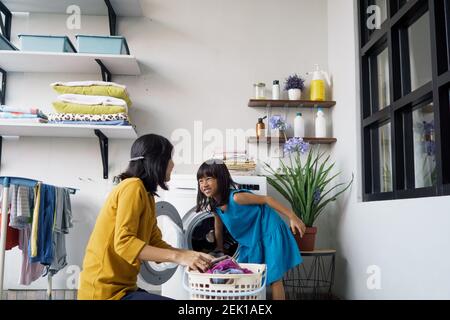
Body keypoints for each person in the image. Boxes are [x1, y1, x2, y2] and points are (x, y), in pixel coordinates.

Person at [78, 134, 213, 300]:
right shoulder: (132, 187)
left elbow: (155, 242)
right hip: (103, 294)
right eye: (169, 158)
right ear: (156, 161)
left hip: (123, 290)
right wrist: (180, 257)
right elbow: (124, 243)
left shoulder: (146, 195)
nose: (172, 164)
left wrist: (191, 255)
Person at [196, 160, 305, 300]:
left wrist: (292, 216)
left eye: (209, 179)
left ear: (221, 179)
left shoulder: (236, 197)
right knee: (247, 274)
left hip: (269, 230)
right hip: (251, 239)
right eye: (200, 181)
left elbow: (267, 199)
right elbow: (218, 226)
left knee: (274, 277)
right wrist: (219, 248)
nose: (204, 184)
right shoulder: (215, 206)